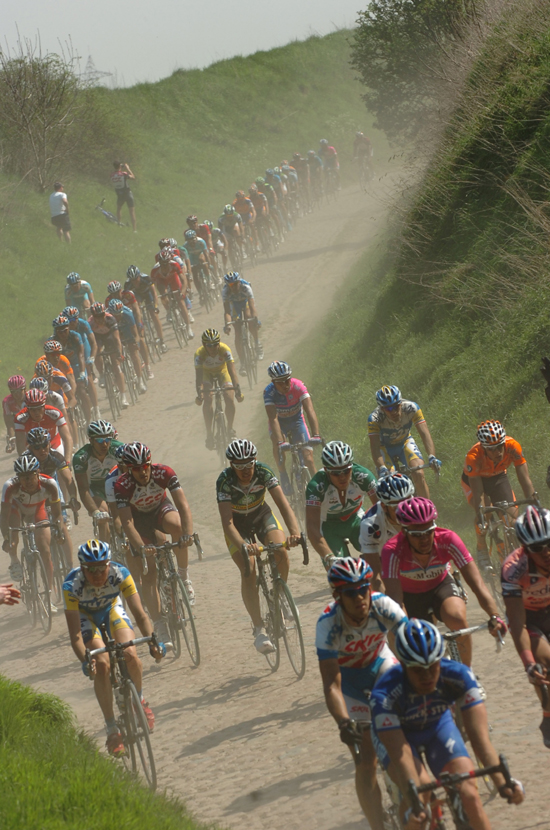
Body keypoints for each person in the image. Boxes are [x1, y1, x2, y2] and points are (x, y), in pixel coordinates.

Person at [370, 618, 524, 830]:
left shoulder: (459, 675)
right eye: (417, 670)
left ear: (441, 660)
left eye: (433, 667)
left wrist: (503, 782)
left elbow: (480, 740)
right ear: (403, 665)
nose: (427, 676)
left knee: (470, 795)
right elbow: (402, 757)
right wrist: (415, 803)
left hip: (437, 726)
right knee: (420, 793)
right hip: (400, 738)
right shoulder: (384, 694)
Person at [317, 557, 407, 830]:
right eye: (350, 593)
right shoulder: (328, 624)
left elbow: (410, 649)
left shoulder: (384, 606)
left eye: (363, 589)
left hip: (381, 665)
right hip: (350, 684)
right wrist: (344, 722)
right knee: (365, 760)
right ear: (338, 597)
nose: (360, 598)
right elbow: (332, 684)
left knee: (405, 733)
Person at [63, 539, 165, 756]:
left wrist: (153, 641)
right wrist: (85, 660)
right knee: (101, 662)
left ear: (109, 564)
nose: (98, 574)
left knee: (129, 653)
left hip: (111, 609)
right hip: (86, 617)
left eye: (102, 568)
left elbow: (140, 614)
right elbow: (75, 636)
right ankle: (111, 728)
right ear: (82, 569)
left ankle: (140, 700)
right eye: (92, 570)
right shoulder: (72, 586)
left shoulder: (120, 573)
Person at [381, 496, 506, 665]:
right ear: (404, 532)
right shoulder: (392, 550)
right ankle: (407, 676)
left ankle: (465, 676)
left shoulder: (448, 540)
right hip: (408, 596)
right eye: (417, 535)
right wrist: (402, 630)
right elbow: (395, 598)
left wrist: (494, 615)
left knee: (457, 620)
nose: (425, 539)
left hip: (440, 587)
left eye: (428, 531)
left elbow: (477, 585)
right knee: (396, 633)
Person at [216, 439, 301, 654]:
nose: (246, 470)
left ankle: (279, 594)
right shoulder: (225, 481)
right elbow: (227, 522)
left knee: (280, 550)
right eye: (240, 466)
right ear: (232, 465)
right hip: (237, 524)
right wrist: (244, 545)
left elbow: (283, 504)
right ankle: (259, 628)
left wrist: (295, 532)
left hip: (260, 515)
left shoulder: (263, 471)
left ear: (255, 461)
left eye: (249, 464)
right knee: (250, 569)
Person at [114, 442, 196, 641]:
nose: (143, 472)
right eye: (136, 469)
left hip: (160, 510)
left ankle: (184, 577)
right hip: (138, 521)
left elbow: (183, 505)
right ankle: (159, 624)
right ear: (128, 469)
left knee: (177, 527)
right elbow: (126, 522)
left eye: (145, 466)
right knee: (149, 572)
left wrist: (188, 534)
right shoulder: (122, 485)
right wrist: (142, 548)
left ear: (150, 463)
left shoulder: (164, 473)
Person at [502, 505, 550, 748]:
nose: (547, 552)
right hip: (529, 617)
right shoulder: (513, 569)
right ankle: (548, 716)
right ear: (525, 549)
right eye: (538, 548)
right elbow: (518, 624)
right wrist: (529, 664)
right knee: (547, 661)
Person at [462, 420, 536, 562]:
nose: (498, 452)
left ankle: (510, 555)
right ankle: (481, 547)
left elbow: (525, 480)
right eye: (492, 449)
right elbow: (478, 493)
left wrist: (533, 505)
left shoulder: (513, 447)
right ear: (484, 448)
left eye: (500, 446)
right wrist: (482, 514)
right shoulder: (473, 457)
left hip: (498, 478)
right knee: (486, 513)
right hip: (475, 481)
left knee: (512, 520)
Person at [306, 441, 377, 568]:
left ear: (351, 466)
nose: (342, 476)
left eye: (346, 470)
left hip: (356, 519)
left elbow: (383, 508)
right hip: (329, 527)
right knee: (340, 570)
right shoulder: (316, 486)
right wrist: (328, 556)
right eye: (335, 473)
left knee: (379, 555)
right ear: (327, 471)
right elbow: (312, 528)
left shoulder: (363, 476)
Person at [1, 454, 63, 597]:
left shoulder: (50, 483)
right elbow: (4, 516)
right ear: (18, 477)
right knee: (13, 536)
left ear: (38, 472)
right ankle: (14, 560)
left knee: (45, 551)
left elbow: (57, 513)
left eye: (31, 475)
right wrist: (6, 538)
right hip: (17, 510)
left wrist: (58, 529)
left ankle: (48, 592)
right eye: (23, 477)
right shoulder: (10, 486)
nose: (27, 480)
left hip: (38, 510)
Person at [368, 385, 440, 499]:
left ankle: (428, 512)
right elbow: (375, 448)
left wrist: (432, 456)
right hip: (384, 449)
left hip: (404, 442)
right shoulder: (374, 419)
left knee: (419, 474)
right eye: (389, 409)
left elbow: (425, 434)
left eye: (396, 406)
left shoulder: (412, 408)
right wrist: (382, 468)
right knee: (391, 483)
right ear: (382, 409)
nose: (394, 411)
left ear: (401, 403)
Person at [25, 426, 80, 568]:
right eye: (37, 447)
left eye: (45, 445)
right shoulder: (25, 459)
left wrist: (73, 497)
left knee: (60, 524)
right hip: (32, 493)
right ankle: (31, 549)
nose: (42, 450)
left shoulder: (55, 456)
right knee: (32, 525)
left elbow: (68, 479)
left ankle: (69, 566)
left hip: (52, 489)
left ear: (50, 443)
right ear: (30, 448)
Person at [263, 361, 321, 494]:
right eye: (280, 382)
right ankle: (282, 473)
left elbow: (310, 410)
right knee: (277, 444)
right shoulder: (269, 392)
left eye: (286, 380)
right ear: (273, 382)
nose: (285, 385)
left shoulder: (298, 386)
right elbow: (273, 418)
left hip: (297, 421)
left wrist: (316, 434)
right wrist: (280, 442)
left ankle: (320, 488)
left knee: (308, 459)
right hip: (280, 423)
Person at [359, 472, 415, 590]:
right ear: (384, 507)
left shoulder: (420, 510)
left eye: (408, 503)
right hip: (382, 559)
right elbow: (375, 574)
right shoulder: (370, 524)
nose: (404, 511)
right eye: (397, 508)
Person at [73, 420, 122, 543]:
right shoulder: (81, 457)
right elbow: (83, 488)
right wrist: (95, 511)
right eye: (99, 440)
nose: (104, 444)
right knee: (103, 515)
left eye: (107, 439)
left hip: (116, 485)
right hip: (95, 488)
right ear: (91, 441)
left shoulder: (119, 449)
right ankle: (105, 554)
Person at [194, 329, 243, 450]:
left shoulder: (225, 350)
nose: (213, 347)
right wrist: (199, 394)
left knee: (229, 397)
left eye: (216, 344)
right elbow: (199, 377)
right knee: (208, 399)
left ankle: (230, 429)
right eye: (209, 345)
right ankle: (209, 433)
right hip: (206, 374)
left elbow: (232, 370)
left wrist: (237, 389)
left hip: (223, 372)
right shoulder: (199, 354)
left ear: (219, 343)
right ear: (204, 344)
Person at [87, 302, 129, 409]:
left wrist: (119, 353)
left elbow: (116, 339)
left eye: (101, 315)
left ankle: (123, 396)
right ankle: (102, 374)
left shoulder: (111, 319)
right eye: (97, 316)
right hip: (98, 338)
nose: (100, 318)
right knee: (96, 351)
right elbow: (91, 343)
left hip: (110, 337)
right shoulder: (90, 323)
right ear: (93, 316)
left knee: (116, 365)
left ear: (105, 314)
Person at [14, 389, 72, 463]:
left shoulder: (54, 413)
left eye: (39, 408)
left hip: (53, 443)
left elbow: (67, 438)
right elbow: (20, 442)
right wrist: (23, 461)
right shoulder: (20, 418)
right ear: (27, 408)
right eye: (33, 410)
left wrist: (67, 460)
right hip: (33, 448)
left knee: (61, 465)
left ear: (44, 406)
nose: (37, 413)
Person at [222, 271, 263, 365]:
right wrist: (227, 325)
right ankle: (242, 362)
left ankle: (257, 344)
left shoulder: (246, 287)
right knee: (237, 331)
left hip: (245, 302)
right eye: (231, 285)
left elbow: (252, 307)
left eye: (235, 283)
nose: (234, 287)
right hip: (234, 305)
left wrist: (255, 319)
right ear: (228, 285)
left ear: (239, 282)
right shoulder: (225, 291)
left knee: (249, 317)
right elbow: (227, 311)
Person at [108, 299, 147, 394]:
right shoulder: (107, 317)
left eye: (119, 314)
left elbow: (135, 333)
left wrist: (136, 343)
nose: (117, 317)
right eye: (115, 315)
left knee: (134, 353)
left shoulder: (128, 314)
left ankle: (140, 380)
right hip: (114, 332)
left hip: (127, 330)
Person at [124, 265, 166, 354]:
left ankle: (162, 341)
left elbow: (154, 293)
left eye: (136, 279)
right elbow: (128, 300)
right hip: (137, 296)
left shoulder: (146, 278)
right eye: (132, 280)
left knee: (154, 314)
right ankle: (142, 324)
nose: (135, 282)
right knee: (137, 307)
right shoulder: (127, 285)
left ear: (139, 276)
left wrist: (155, 306)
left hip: (148, 294)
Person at [111, 161, 137, 231]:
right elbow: (133, 177)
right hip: (127, 193)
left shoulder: (112, 175)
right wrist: (128, 168)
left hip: (120, 194)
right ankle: (134, 230)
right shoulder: (123, 174)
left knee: (119, 209)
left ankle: (119, 224)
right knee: (131, 212)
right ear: (120, 166)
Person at [3, 375, 26, 454]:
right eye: (13, 392)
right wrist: (12, 440)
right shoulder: (7, 402)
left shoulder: (30, 398)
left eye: (20, 391)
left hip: (31, 423)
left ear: (25, 389)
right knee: (21, 449)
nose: (17, 394)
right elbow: (9, 423)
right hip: (18, 425)